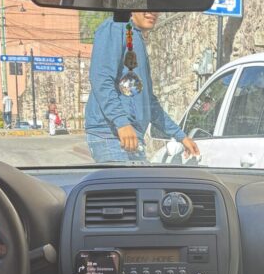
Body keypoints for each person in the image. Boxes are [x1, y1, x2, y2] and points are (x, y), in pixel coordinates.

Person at [85, 12, 200, 163]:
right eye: (146, 6)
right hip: (111, 135)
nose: (152, 12)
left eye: (156, 7)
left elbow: (148, 102)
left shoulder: (136, 37)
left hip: (132, 137)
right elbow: (101, 79)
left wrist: (181, 136)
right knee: (127, 180)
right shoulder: (115, 26)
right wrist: (122, 122)